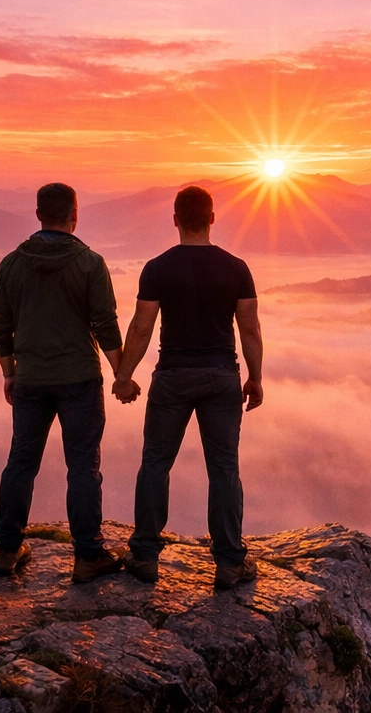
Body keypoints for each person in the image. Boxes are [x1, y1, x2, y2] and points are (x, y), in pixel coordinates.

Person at [112, 185, 264, 589]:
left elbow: (142, 328)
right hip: (221, 377)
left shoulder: (158, 268)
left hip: (173, 377)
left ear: (176, 220)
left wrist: (124, 376)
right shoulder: (236, 268)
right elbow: (249, 329)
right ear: (212, 219)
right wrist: (255, 377)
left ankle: (144, 556)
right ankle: (230, 563)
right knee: (225, 469)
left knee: (155, 465)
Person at [0, 182, 124, 583]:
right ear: (75, 214)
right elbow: (104, 323)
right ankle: (87, 556)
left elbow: (1, 326)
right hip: (79, 379)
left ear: (37, 215)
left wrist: (10, 373)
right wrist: (122, 374)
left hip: (30, 379)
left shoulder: (12, 263)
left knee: (21, 462)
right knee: (83, 467)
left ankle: (8, 550)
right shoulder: (89, 263)